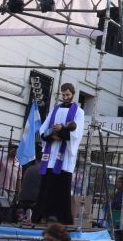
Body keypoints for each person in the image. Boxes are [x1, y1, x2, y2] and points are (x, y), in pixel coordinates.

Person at [33, 83, 86, 225]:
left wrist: (62, 132)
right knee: (47, 186)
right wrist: (51, 136)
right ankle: (43, 214)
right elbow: (43, 129)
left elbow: (77, 133)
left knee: (61, 187)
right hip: (51, 154)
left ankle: (60, 216)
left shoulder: (79, 112)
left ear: (73, 94)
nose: (65, 97)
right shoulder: (55, 109)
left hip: (65, 155)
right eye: (63, 95)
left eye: (68, 95)